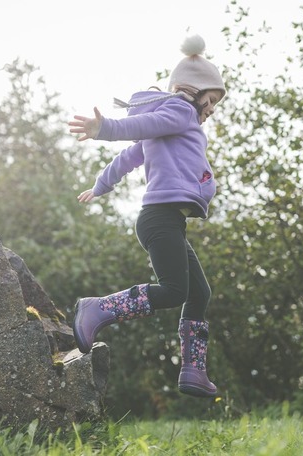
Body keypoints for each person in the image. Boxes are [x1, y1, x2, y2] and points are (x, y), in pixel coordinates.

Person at [68, 35, 226, 398]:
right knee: (175, 290)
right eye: (212, 100)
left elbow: (130, 156)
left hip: (168, 221)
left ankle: (193, 370)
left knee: (198, 292)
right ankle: (98, 309)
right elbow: (136, 130)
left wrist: (101, 185)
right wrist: (104, 129)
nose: (213, 109)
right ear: (196, 90)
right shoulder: (180, 112)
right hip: (159, 218)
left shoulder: (175, 127)